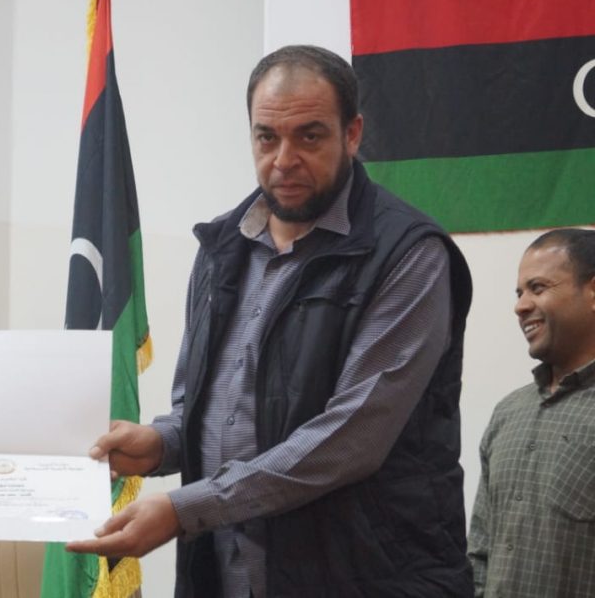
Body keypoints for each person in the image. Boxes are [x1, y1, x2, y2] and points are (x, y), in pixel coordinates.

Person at [66, 45, 475, 596]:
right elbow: (206, 406)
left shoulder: (408, 255)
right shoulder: (221, 246)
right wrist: (161, 444)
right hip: (227, 572)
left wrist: (184, 509)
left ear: (352, 134)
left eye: (310, 136)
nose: (284, 159)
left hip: (366, 577)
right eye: (267, 137)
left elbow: (349, 440)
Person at [468, 229, 595, 597]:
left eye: (538, 288)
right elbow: (480, 553)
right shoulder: (509, 413)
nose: (521, 306)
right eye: (519, 293)